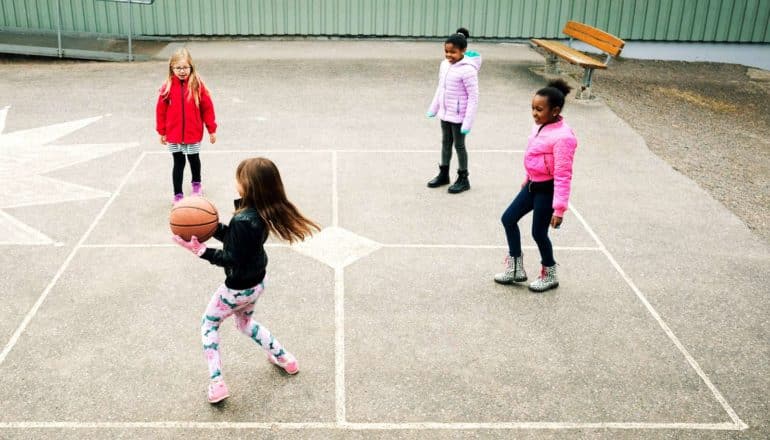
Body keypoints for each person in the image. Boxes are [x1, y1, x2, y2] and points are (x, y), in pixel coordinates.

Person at [173, 157, 320, 404]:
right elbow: (237, 241)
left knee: (208, 325)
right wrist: (213, 228)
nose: (235, 181)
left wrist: (200, 251)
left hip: (236, 290)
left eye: (239, 178)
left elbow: (232, 257)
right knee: (245, 324)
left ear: (248, 185)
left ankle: (217, 382)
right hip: (256, 284)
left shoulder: (243, 219)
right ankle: (285, 359)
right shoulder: (261, 212)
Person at [495, 79, 578, 292]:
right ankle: (516, 269)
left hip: (547, 190)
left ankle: (549, 273)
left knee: (538, 233)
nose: (534, 113)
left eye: (539, 109)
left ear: (555, 110)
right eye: (533, 108)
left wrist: (559, 209)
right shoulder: (540, 126)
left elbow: (563, 175)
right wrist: (527, 177)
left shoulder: (563, 137)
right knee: (508, 218)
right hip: (532, 185)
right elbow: (534, 155)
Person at [156, 47, 217, 205]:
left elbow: (207, 108)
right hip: (173, 135)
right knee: (178, 162)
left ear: (191, 67)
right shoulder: (167, 87)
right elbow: (160, 111)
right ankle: (177, 194)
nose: (182, 71)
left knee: (194, 159)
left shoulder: (197, 86)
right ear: (172, 68)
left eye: (185, 67)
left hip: (192, 134)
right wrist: (162, 132)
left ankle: (196, 184)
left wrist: (212, 129)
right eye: (178, 68)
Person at [426, 27, 482, 193]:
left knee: (459, 146)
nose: (449, 55)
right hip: (445, 113)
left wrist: (467, 122)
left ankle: (463, 178)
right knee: (445, 143)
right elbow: (441, 88)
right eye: (446, 52)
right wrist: (434, 107)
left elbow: (473, 97)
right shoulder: (444, 65)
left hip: (459, 117)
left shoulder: (468, 70)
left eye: (453, 52)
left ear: (463, 50)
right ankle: (444, 174)